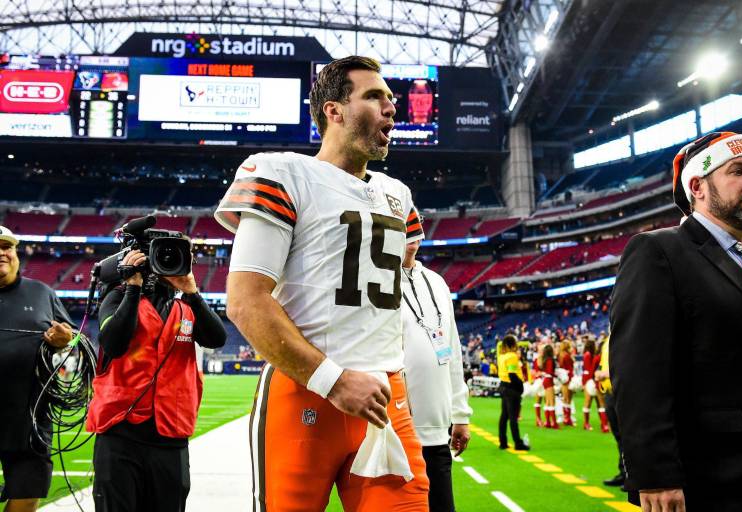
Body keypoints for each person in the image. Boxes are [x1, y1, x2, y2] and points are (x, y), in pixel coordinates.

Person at [216, 56, 430, 511]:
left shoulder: (398, 196)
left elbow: (398, 276)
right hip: (305, 393)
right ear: (333, 111)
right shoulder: (282, 172)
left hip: (385, 398)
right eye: (374, 96)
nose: (391, 106)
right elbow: (245, 301)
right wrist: (333, 381)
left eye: (391, 98)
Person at [610, 131, 742, 511]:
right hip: (713, 475)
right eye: (739, 171)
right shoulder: (659, 251)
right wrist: (654, 473)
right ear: (697, 185)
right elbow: (638, 373)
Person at [86, 247, 227, 512]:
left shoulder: (186, 306)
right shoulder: (117, 298)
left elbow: (217, 339)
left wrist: (192, 293)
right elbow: (114, 344)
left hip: (170, 434)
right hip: (120, 431)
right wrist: (132, 289)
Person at [0, 226, 73, 512]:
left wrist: (65, 341)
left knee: (28, 495)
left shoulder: (41, 292)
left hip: (29, 418)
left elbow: (75, 339)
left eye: (7, 247)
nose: (1, 253)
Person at [400, 234, 472, 512]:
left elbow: (452, 351)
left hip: (436, 434)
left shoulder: (437, 282)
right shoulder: (377, 280)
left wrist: (460, 415)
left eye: (416, 227)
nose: (411, 235)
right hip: (396, 433)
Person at [593, 336, 624, 488]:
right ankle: (624, 473)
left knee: (627, 435)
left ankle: (632, 475)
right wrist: (599, 372)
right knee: (619, 436)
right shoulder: (607, 340)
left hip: (622, 392)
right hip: (609, 392)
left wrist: (607, 373)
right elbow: (602, 364)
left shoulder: (622, 336)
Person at [497, 335, 530, 451]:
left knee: (504, 416)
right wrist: (520, 386)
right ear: (513, 344)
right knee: (513, 417)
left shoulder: (501, 356)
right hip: (512, 388)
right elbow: (512, 374)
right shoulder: (512, 356)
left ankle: (503, 441)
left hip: (503, 386)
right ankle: (518, 443)